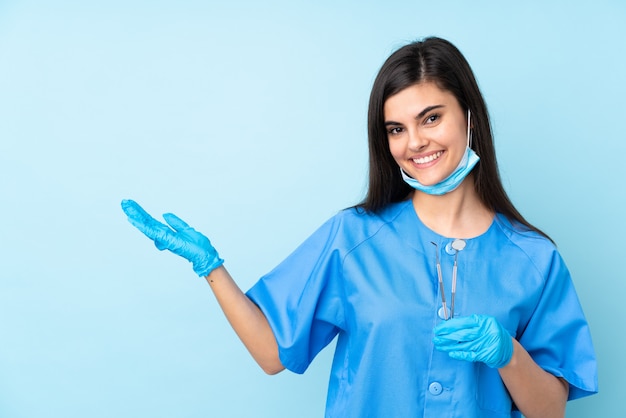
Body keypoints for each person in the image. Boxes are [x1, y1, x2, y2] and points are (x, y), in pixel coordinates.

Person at [121, 37, 598, 417]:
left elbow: (549, 411)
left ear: (469, 117)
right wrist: (211, 267)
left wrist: (508, 354)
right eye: (396, 128)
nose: (415, 142)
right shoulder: (352, 239)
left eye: (431, 118)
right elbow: (271, 353)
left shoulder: (534, 260)